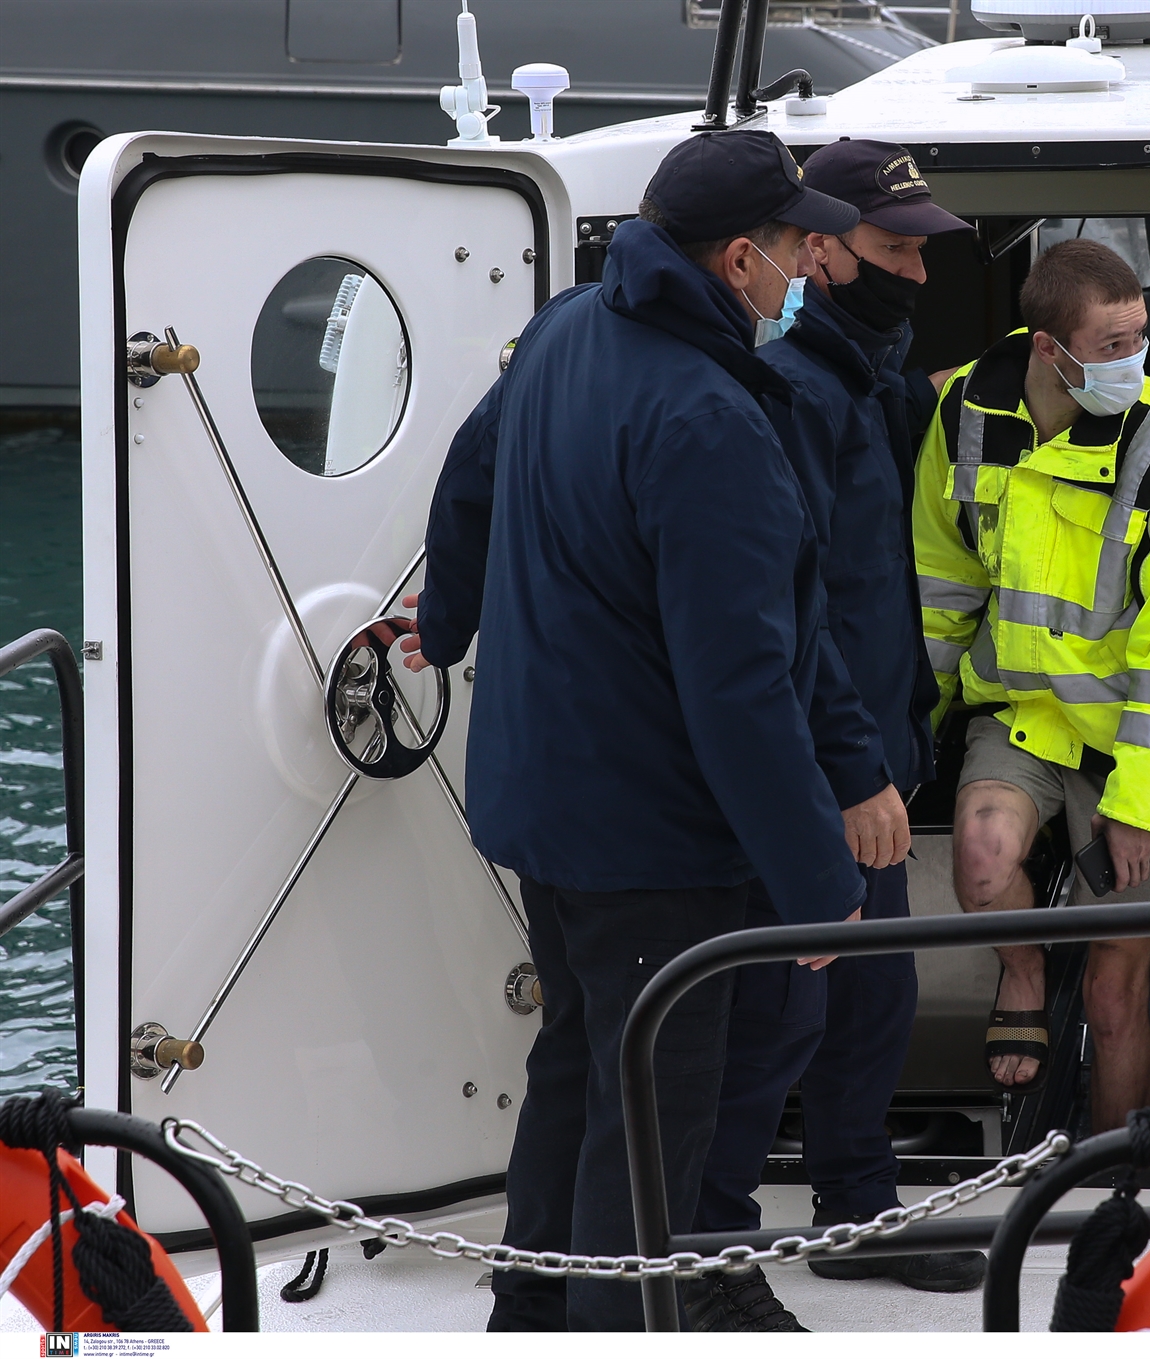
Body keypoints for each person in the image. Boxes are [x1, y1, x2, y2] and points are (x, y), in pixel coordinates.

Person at [408, 129, 909, 1332]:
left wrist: (447, 619)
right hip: (655, 834)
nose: (812, 271)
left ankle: (529, 1316)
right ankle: (609, 1338)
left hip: (544, 802)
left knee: (578, 1069)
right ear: (739, 258)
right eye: (798, 250)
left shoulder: (568, 327)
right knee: (653, 1121)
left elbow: (467, 481)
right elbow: (741, 682)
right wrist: (813, 881)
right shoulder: (708, 417)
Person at [686, 139, 983, 1330]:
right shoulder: (797, 392)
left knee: (866, 1002)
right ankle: (717, 1242)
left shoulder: (872, 381)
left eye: (921, 249)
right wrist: (848, 762)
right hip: (818, 761)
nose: (915, 271)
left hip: (864, 747)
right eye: (893, 249)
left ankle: (853, 1211)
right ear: (825, 250)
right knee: (787, 1014)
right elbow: (791, 608)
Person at [913, 238, 1150, 1132]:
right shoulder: (964, 408)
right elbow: (941, 588)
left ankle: (1115, 1186)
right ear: (1049, 346)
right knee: (980, 856)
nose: (1136, 361)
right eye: (1113, 343)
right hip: (1018, 720)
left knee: (1117, 993)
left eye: (1141, 338)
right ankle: (1022, 968)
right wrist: (903, 741)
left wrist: (1139, 798)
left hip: (1135, 740)